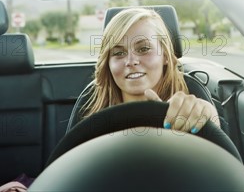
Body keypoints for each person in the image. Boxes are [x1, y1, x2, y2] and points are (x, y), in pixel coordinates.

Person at [80, 7, 220, 133]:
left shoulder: (193, 111)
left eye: (144, 49)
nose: (131, 61)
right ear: (108, 63)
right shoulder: (91, 125)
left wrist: (208, 116)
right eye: (118, 53)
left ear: (165, 55)